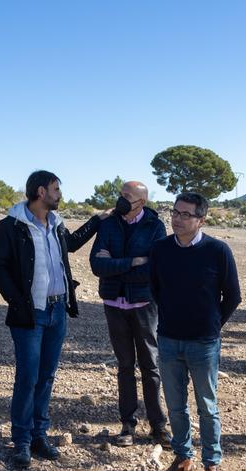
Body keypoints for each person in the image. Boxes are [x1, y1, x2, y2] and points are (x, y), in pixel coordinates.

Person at [0, 170, 105, 469]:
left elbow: (73, 244)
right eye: (56, 189)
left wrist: (98, 220)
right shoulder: (11, 226)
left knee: (47, 376)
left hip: (57, 311)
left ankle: (40, 435)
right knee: (27, 377)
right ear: (41, 192)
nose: (59, 194)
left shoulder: (56, 224)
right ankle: (22, 441)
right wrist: (16, 299)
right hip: (30, 314)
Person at [150, 192, 240, 471]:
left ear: (201, 219)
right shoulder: (161, 249)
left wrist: (212, 324)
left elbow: (233, 295)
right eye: (175, 212)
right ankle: (183, 457)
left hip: (204, 343)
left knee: (207, 407)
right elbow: (156, 290)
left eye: (185, 214)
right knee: (176, 407)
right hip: (168, 340)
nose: (177, 218)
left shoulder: (218, 250)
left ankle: (212, 465)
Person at [89, 180, 171, 448]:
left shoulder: (155, 227)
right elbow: (96, 265)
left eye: (127, 196)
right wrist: (133, 262)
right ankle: (128, 424)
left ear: (141, 202)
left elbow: (154, 269)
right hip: (114, 304)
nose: (121, 200)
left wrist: (116, 264)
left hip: (144, 305)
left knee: (150, 365)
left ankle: (159, 426)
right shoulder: (109, 224)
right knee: (125, 366)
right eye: (121, 194)